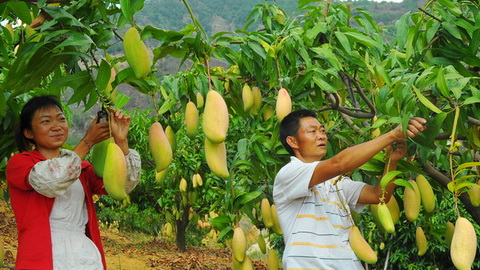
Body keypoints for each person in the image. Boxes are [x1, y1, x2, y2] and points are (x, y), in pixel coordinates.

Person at [273, 109, 427, 269]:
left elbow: (379, 196)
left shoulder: (337, 182)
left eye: (322, 131)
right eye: (312, 131)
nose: (322, 136)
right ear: (293, 141)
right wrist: (392, 135)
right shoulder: (289, 174)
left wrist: (392, 161)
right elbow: (339, 164)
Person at [6, 95, 142, 270]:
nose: (57, 127)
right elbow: (53, 181)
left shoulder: (82, 170)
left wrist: (121, 141)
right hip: (44, 254)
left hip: (83, 254)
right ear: (28, 133)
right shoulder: (21, 163)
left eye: (61, 119)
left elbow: (121, 186)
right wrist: (87, 142)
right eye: (46, 121)